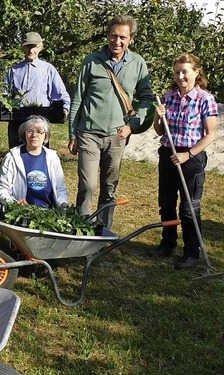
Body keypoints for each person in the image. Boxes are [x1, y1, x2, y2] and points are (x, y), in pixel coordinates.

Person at [68, 15, 153, 229]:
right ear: (107, 36)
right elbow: (78, 97)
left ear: (130, 39)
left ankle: (102, 231)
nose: (117, 41)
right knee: (87, 185)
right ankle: (82, 230)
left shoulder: (138, 64)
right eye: (113, 36)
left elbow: (146, 99)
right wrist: (72, 133)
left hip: (117, 135)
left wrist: (132, 125)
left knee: (109, 187)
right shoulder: (91, 61)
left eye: (123, 37)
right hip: (88, 132)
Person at [150, 53, 218, 269]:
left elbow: (211, 134)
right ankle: (168, 243)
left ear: (196, 73)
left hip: (192, 157)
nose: (180, 76)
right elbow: (160, 130)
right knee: (167, 203)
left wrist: (187, 154)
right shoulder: (168, 97)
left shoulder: (205, 99)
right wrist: (157, 116)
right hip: (168, 152)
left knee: (189, 208)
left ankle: (191, 252)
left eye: (185, 72)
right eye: (177, 72)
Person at [4, 32, 70, 149]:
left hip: (40, 121)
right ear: (23, 47)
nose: (31, 50)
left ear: (40, 47)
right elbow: (4, 95)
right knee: (16, 157)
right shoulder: (14, 70)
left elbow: (61, 94)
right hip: (17, 121)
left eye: (34, 47)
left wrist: (64, 110)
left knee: (38, 157)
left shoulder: (48, 69)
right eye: (28, 46)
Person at [0, 115, 69, 208]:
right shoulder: (12, 157)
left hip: (48, 213)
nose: (34, 135)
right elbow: (3, 190)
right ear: (24, 134)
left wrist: (63, 203)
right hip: (20, 212)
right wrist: (14, 204)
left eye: (39, 132)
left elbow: (60, 188)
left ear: (46, 136)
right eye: (30, 131)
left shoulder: (53, 158)